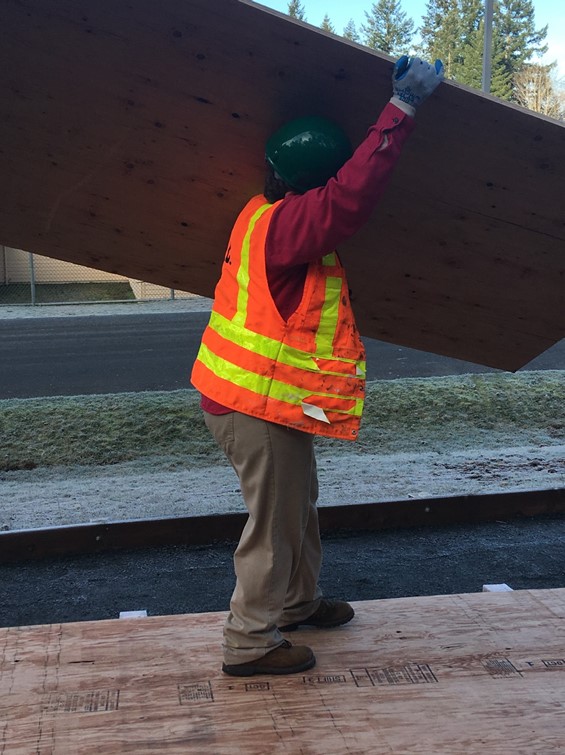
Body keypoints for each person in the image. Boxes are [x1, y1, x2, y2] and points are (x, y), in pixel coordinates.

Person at [191, 56, 444, 677]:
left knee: (297, 505)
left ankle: (298, 604)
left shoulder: (263, 214)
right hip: (252, 405)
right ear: (314, 181)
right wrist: (401, 110)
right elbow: (351, 197)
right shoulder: (289, 227)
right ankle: (248, 642)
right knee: (273, 526)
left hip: (256, 398)